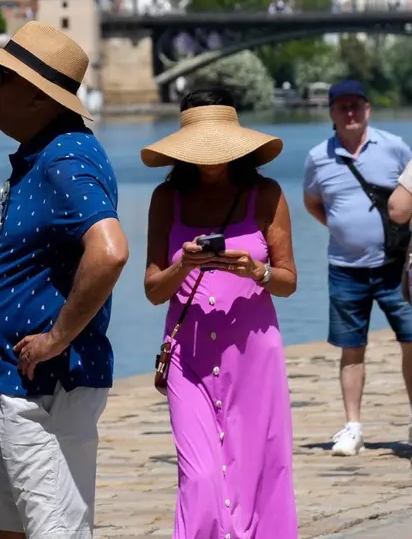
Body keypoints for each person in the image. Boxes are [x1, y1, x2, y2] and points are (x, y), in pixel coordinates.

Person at [0, 21, 129, 539]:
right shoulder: (44, 154)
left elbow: (109, 252)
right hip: (14, 380)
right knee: (11, 529)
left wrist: (57, 338)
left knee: (54, 531)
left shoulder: (67, 157)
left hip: (47, 387)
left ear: (39, 96)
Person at [142, 87, 298, 538]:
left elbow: (288, 281)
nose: (210, 156)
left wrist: (258, 270)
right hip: (187, 360)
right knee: (201, 478)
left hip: (253, 359)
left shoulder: (265, 194)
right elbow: (153, 290)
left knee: (260, 476)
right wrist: (183, 265)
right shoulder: (165, 198)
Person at [303, 79, 412, 455]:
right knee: (351, 348)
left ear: (367, 109)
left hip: (395, 266)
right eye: (342, 107)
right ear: (331, 113)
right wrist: (344, 228)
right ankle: (353, 427)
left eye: (356, 106)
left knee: (411, 341)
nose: (350, 113)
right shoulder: (318, 157)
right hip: (345, 267)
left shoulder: (395, 147)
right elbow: (313, 203)